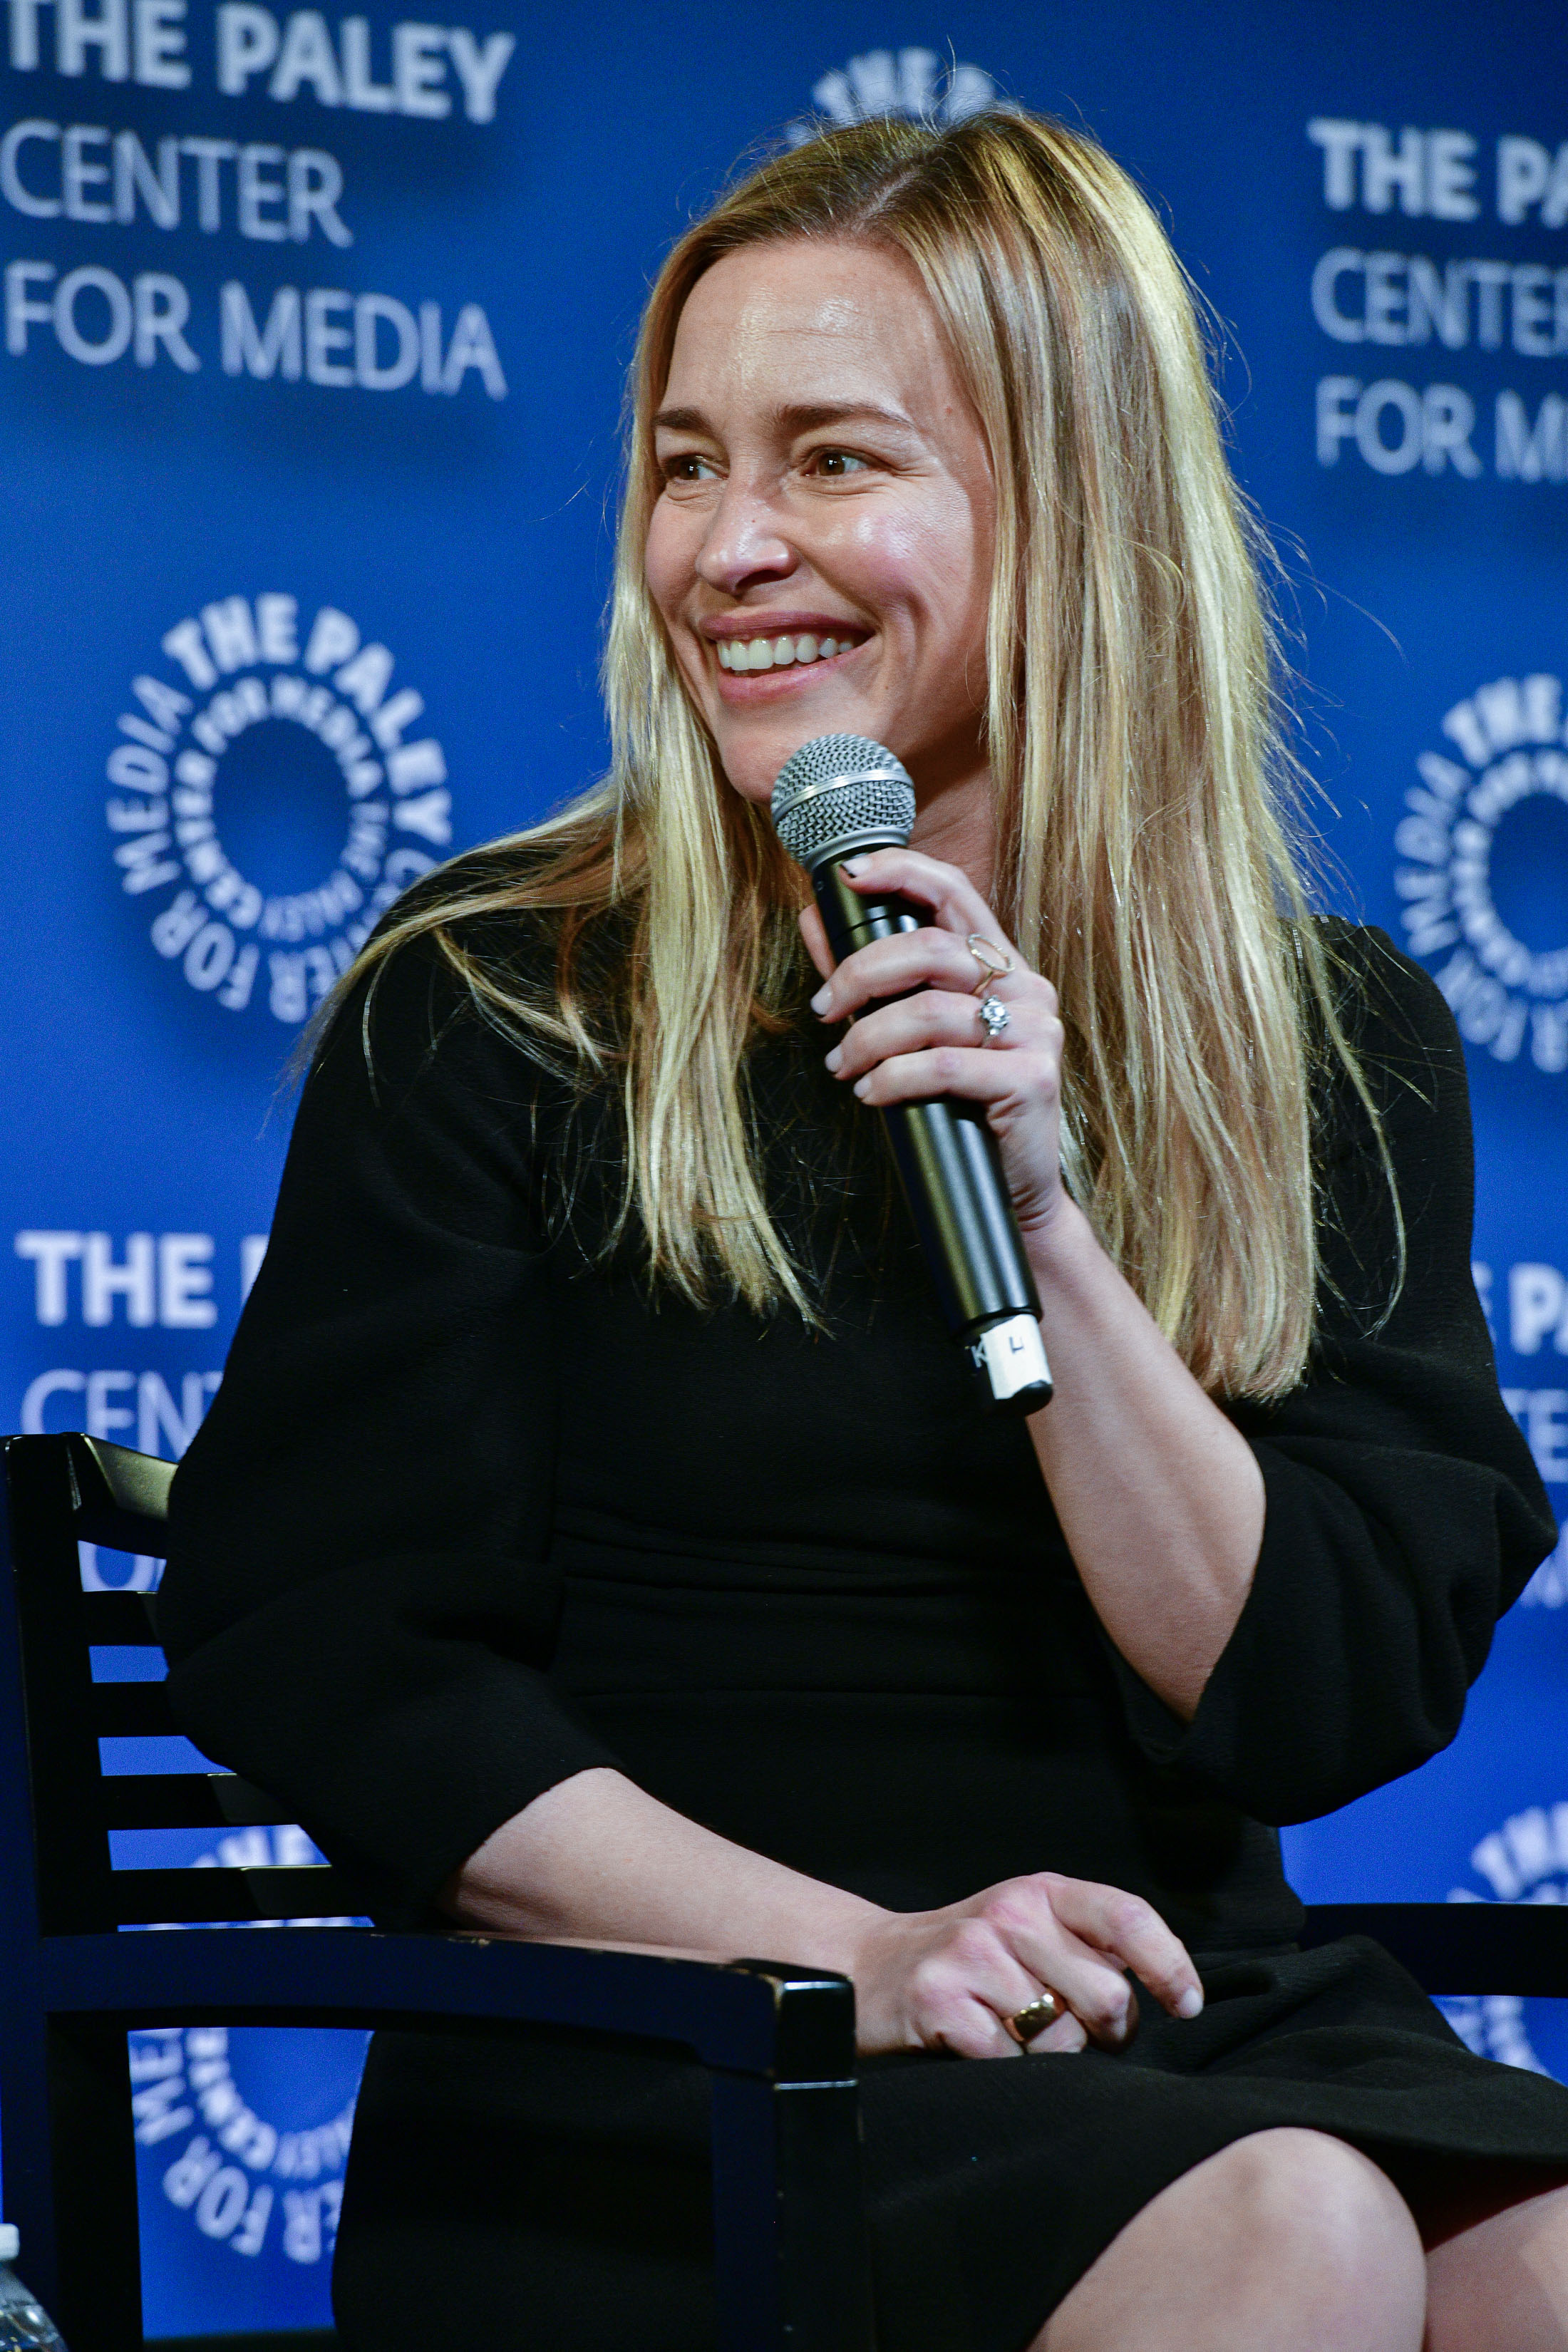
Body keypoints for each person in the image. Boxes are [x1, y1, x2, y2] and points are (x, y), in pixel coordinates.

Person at [158, 110, 1568, 2352]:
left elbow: (1322, 1680)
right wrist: (866, 1954)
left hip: (1194, 2024)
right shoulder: (502, 999)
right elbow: (335, 1655)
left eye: (830, 462)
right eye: (687, 464)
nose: (728, 550)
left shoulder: (1329, 1036)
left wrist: (1046, 1207)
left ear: (1078, 513)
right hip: (677, 2072)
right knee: (1295, 2235)